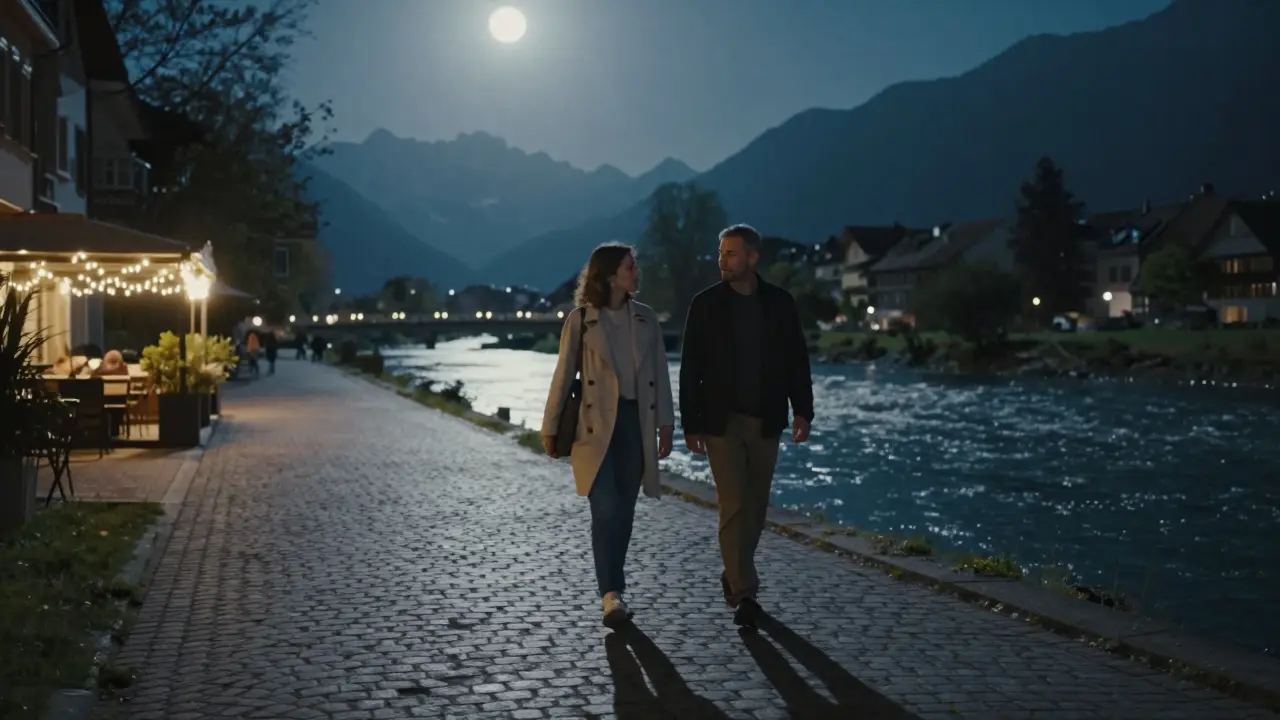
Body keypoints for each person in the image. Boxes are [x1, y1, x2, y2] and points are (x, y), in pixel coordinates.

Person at [679, 223, 814, 630]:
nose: (722, 260)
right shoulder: (705, 305)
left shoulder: (779, 303)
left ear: (753, 258)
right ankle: (745, 592)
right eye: (720, 253)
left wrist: (803, 411)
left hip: (766, 417)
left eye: (731, 253)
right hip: (721, 421)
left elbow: (797, 360)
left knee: (755, 506)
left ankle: (735, 569)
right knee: (733, 503)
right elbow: (690, 368)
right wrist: (691, 424)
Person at [541, 242, 675, 629]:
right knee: (606, 507)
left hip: (635, 423)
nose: (637, 271)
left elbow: (660, 376)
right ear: (611, 275)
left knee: (625, 510)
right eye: (630, 266)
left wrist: (666, 425)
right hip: (594, 425)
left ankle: (614, 591)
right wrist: (550, 426)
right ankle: (611, 594)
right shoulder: (580, 321)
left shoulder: (647, 319)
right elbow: (563, 376)